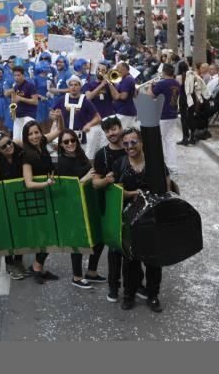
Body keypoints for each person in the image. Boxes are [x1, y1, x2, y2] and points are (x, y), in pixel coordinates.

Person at [112, 128, 171, 313]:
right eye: (126, 143)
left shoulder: (155, 163)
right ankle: (128, 295)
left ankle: (153, 296)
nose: (130, 147)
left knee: (154, 260)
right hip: (129, 220)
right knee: (130, 261)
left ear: (141, 142)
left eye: (133, 142)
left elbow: (166, 188)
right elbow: (116, 193)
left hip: (153, 219)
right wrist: (133, 194)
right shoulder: (120, 164)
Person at [55, 129, 105, 289]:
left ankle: (92, 272)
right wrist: (84, 179)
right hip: (74, 206)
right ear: (61, 145)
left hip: (90, 202)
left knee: (98, 237)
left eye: (73, 140)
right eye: (66, 142)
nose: (70, 144)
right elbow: (66, 190)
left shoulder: (81, 155)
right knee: (78, 241)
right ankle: (76, 277)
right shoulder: (62, 163)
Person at [20, 121, 62, 284]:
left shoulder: (42, 142)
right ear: (26, 137)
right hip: (37, 198)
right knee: (46, 234)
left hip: (49, 195)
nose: (34, 136)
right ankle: (37, 267)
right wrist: (47, 184)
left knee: (50, 233)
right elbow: (28, 183)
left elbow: (59, 130)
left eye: (36, 132)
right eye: (30, 134)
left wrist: (59, 117)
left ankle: (38, 266)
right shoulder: (26, 155)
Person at [0, 131, 28, 280]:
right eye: (4, 146)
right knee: (9, 233)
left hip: (22, 200)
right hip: (5, 203)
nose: (9, 146)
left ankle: (19, 261)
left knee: (22, 232)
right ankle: (9, 263)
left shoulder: (20, 151)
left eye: (9, 142)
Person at [91, 116, 126, 302]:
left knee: (133, 250)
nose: (112, 133)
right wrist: (106, 181)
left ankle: (137, 284)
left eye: (114, 129)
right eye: (108, 131)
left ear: (121, 128)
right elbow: (95, 183)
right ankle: (114, 287)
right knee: (114, 250)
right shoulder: (101, 154)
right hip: (111, 208)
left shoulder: (132, 148)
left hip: (132, 206)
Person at [150, 64, 181, 174]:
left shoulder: (161, 83)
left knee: (158, 141)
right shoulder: (177, 83)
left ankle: (159, 166)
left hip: (162, 115)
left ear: (164, 72)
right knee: (170, 141)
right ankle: (172, 166)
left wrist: (150, 85)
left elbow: (151, 95)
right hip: (172, 114)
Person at [9, 66, 39, 140]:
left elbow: (35, 102)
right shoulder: (15, 86)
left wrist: (21, 99)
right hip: (18, 115)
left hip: (28, 115)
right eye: (15, 75)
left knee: (26, 139)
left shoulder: (30, 86)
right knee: (16, 139)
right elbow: (14, 102)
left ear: (23, 75)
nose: (16, 77)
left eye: (18, 75)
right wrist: (12, 109)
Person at [108, 62, 137, 129]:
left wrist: (110, 84)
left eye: (119, 68)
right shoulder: (123, 79)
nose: (117, 70)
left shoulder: (127, 79)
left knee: (121, 133)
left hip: (125, 112)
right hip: (123, 112)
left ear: (125, 69)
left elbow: (123, 97)